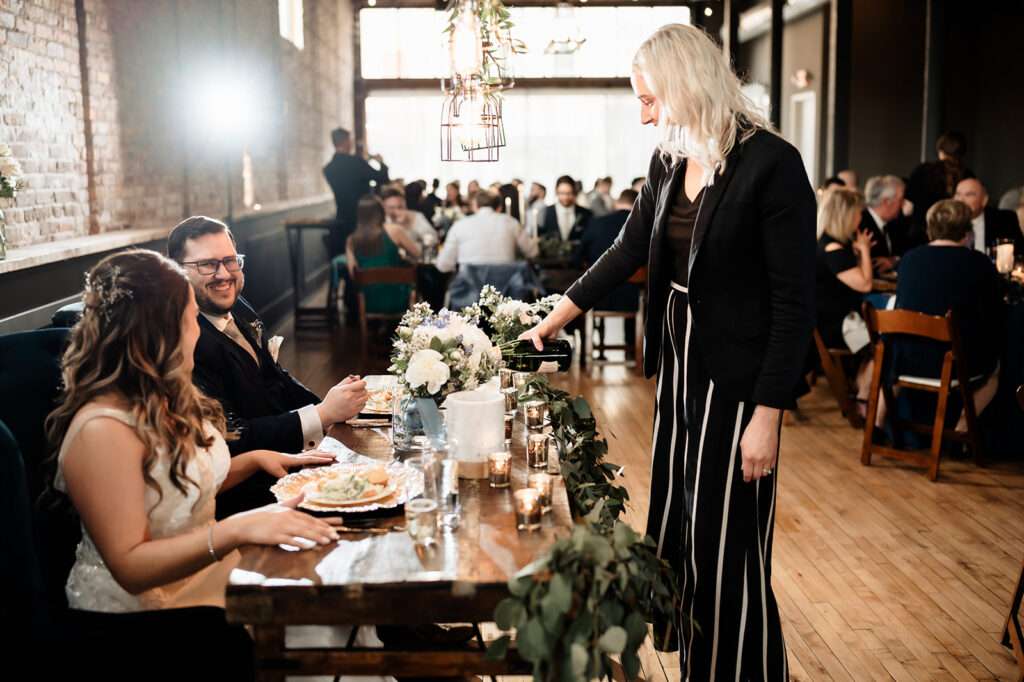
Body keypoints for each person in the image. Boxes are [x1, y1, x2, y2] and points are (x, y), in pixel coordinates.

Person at [521, 23, 815, 679]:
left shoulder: (771, 163)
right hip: (680, 366)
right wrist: (555, 318)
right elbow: (627, 250)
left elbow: (795, 303)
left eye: (649, 99)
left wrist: (768, 414)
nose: (644, 113)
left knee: (728, 539)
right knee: (682, 527)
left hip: (739, 381)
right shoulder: (668, 160)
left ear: (686, 85)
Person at [45, 250, 341, 678]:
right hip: (136, 623)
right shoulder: (102, 429)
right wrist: (238, 527)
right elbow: (130, 566)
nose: (197, 332)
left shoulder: (164, 394)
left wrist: (255, 460)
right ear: (158, 331)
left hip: (203, 579)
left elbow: (176, 488)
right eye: (189, 317)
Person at [168, 217, 368, 517]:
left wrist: (330, 407)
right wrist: (322, 414)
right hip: (243, 497)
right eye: (208, 264)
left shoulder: (238, 305)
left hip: (284, 461)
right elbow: (232, 435)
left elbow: (275, 377)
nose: (223, 274)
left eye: (230, 261)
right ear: (177, 271)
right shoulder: (184, 341)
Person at [892, 199, 1004, 429]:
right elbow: (994, 312)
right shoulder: (979, 263)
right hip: (953, 363)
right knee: (998, 367)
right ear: (966, 231)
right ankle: (962, 430)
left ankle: (878, 424)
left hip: (906, 360)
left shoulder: (909, 260)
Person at [580, 189, 641, 350]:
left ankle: (594, 349)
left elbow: (579, 257)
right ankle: (632, 346)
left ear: (616, 203)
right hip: (634, 298)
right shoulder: (644, 226)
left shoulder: (597, 223)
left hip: (599, 295)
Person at [346, 196, 420, 316]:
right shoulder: (395, 231)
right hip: (398, 298)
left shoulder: (351, 239)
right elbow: (417, 253)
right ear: (381, 212)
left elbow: (353, 274)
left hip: (368, 300)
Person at [322, 128, 390, 256]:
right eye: (350, 140)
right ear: (347, 142)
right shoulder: (356, 162)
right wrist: (381, 162)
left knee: (348, 255)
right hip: (364, 216)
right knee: (367, 255)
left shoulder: (328, 169)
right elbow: (382, 178)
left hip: (342, 217)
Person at [435, 189, 538, 273]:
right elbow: (533, 252)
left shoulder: (460, 225)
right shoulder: (511, 222)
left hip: (469, 294)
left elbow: (443, 265)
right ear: (499, 207)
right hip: (505, 293)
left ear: (475, 206)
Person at [906, 131, 973, 235]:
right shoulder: (968, 175)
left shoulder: (922, 171)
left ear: (940, 150)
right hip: (956, 233)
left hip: (922, 233)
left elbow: (907, 208)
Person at [861, 175, 919, 268]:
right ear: (887, 202)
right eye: (900, 200)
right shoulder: (860, 224)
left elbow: (907, 250)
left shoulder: (893, 223)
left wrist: (894, 260)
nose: (903, 204)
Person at [953, 177, 1024, 253]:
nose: (961, 200)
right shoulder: (946, 222)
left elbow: (1019, 252)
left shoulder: (1005, 219)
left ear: (984, 200)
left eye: (969, 195)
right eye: (958, 194)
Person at [537, 175, 592, 242]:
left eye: (569, 193)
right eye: (562, 193)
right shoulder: (546, 212)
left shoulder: (586, 213)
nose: (565, 197)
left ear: (574, 192)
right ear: (556, 192)